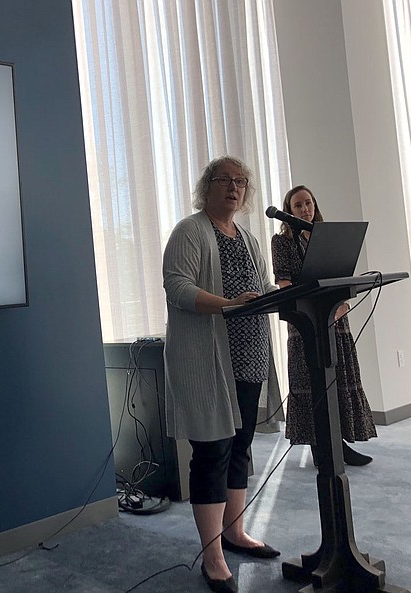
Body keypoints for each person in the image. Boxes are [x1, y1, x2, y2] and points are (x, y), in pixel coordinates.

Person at [163, 156, 282, 593]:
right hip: (207, 361)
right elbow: (177, 287)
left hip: (249, 357)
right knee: (212, 451)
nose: (233, 188)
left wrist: (294, 295)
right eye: (224, 180)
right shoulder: (190, 231)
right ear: (206, 186)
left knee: (241, 446)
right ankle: (212, 556)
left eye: (240, 182)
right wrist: (229, 304)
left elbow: (264, 290)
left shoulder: (249, 238)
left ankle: (235, 532)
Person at [270, 185, 376, 466]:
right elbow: (284, 283)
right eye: (298, 205)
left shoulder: (326, 237)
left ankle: (338, 443)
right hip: (305, 322)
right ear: (288, 211)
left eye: (308, 203)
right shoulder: (282, 242)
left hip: (335, 317)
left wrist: (342, 303)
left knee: (338, 379)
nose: (305, 209)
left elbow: (338, 277)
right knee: (311, 382)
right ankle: (321, 448)